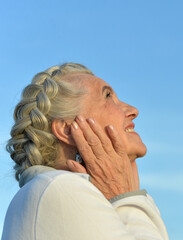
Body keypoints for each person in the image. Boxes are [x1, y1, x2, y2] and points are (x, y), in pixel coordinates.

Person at [2, 63, 169, 240]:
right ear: (67, 129)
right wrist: (125, 197)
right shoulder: (60, 188)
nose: (133, 111)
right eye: (107, 96)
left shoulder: (55, 189)